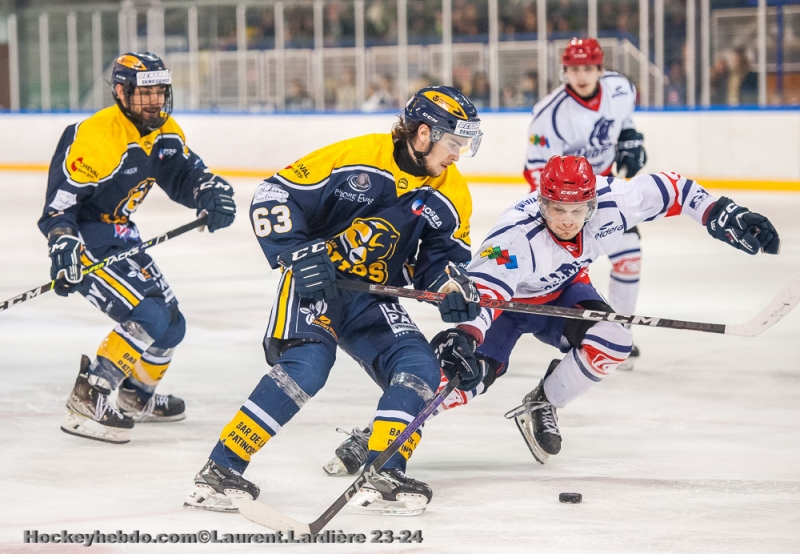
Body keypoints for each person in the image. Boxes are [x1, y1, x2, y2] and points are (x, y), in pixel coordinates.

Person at [325, 154, 781, 471]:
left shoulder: (614, 202)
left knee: (615, 339)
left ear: (592, 203)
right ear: (542, 202)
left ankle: (542, 402)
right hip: (506, 306)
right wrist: (464, 337)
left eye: (577, 209)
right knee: (456, 381)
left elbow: (674, 188)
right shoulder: (514, 239)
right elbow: (483, 293)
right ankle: (378, 434)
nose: (566, 218)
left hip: (563, 295)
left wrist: (725, 213)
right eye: (556, 208)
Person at [183, 86, 484, 516]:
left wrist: (451, 289)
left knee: (420, 367)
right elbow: (274, 195)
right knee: (307, 367)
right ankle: (221, 468)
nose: (458, 154)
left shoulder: (453, 194)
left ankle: (384, 470)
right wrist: (298, 253)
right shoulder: (355, 158)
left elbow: (441, 261)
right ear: (423, 134)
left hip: (372, 298)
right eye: (454, 143)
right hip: (316, 285)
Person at [38, 52, 236, 445]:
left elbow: (183, 174)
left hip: (123, 233)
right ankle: (89, 396)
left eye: (160, 92)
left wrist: (207, 191)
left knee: (171, 326)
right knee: (149, 316)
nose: (155, 101)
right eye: (145, 94)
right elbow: (60, 207)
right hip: (86, 236)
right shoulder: (97, 137)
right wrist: (62, 243)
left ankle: (135, 396)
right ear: (120, 92)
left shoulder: (165, 131)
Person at [523, 37, 647, 370]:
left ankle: (620, 328)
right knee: (570, 271)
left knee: (630, 256)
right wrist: (558, 212)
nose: (582, 76)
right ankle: (580, 332)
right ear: (564, 72)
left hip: (604, 190)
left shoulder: (620, 89)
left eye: (588, 68)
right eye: (575, 69)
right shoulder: (549, 113)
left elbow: (624, 120)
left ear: (600, 69)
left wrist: (630, 137)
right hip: (565, 202)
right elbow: (536, 169)